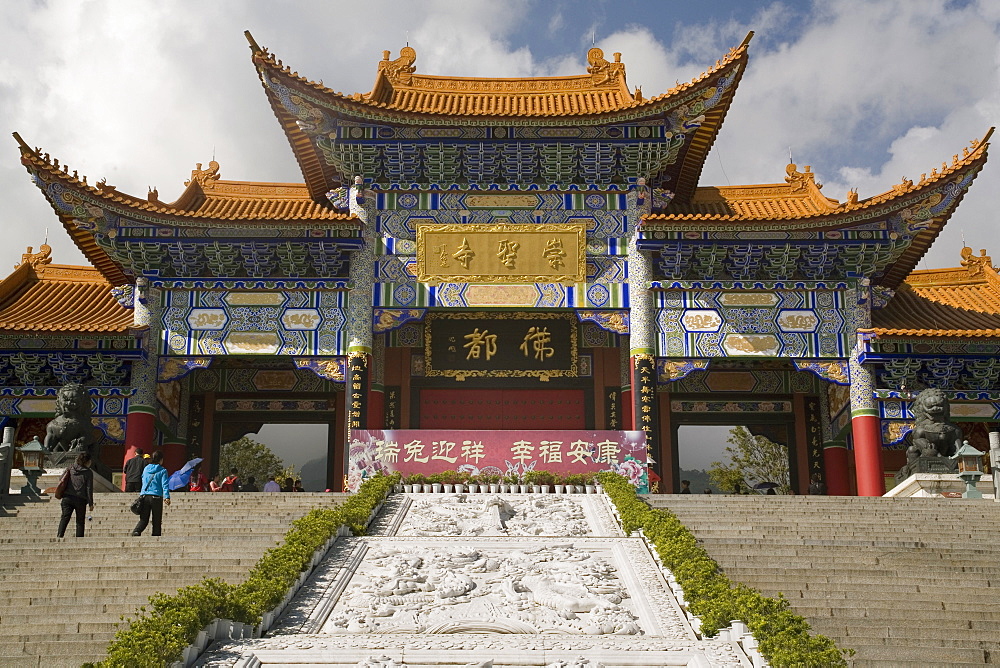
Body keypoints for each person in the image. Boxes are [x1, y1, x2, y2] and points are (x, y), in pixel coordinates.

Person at [132, 450, 170, 536]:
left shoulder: (146, 469)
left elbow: (143, 479)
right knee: (156, 519)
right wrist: (166, 497)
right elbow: (165, 484)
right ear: (161, 460)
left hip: (145, 496)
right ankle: (156, 535)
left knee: (144, 518)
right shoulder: (163, 470)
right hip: (156, 497)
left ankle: (137, 531)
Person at [57, 452, 94, 538]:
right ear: (87, 461)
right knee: (80, 521)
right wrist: (91, 503)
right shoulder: (88, 472)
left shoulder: (70, 468)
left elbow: (61, 479)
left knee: (65, 517)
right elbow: (89, 488)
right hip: (80, 499)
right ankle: (79, 538)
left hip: (67, 497)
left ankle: (60, 535)